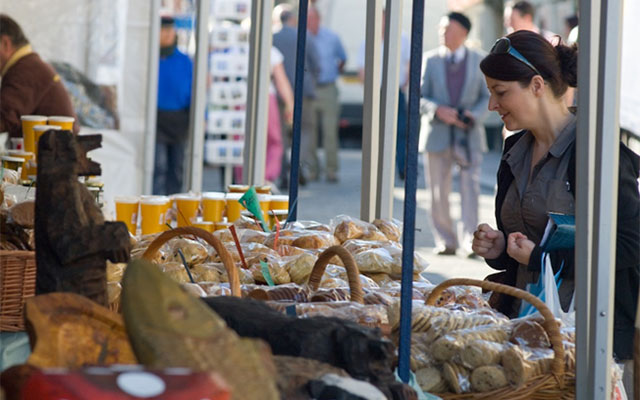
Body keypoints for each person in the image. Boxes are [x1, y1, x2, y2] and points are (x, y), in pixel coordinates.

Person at [472, 30, 640, 392]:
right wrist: (500, 247)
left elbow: (629, 245)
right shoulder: (514, 151)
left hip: (590, 347)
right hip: (525, 338)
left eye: (500, 92)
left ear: (536, 85)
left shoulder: (598, 153)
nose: (492, 105)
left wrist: (542, 257)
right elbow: (524, 247)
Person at [419, 12, 490, 256]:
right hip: (436, 136)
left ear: (463, 33)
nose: (442, 33)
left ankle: (471, 241)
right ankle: (446, 241)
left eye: (447, 29)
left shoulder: (480, 60)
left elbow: (488, 96)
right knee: (438, 192)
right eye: (441, 28)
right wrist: (436, 110)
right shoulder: (430, 60)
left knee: (471, 191)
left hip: (469, 136)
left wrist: (473, 115)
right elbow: (418, 96)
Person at [0, 14, 79, 137]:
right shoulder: (28, 64)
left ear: (5, 44)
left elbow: (4, 118)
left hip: (56, 147)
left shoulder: (25, 70)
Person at [357, 10, 411, 180]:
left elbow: (409, 64)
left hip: (396, 90)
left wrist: (404, 84)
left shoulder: (403, 39)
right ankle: (376, 169)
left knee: (400, 130)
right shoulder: (369, 40)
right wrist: (368, 90)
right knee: (375, 131)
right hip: (375, 92)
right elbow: (361, 69)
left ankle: (401, 167)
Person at [272, 4, 321, 187]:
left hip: (279, 93)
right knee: (305, 129)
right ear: (292, 19)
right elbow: (317, 64)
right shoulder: (305, 36)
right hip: (303, 92)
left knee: (281, 133)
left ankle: (284, 169)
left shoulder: (272, 37)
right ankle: (298, 163)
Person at [153, 16, 193, 195]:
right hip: (157, 119)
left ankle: (175, 202)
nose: (167, 34)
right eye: (164, 30)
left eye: (170, 30)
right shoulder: (151, 59)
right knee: (158, 166)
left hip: (179, 120)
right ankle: (157, 202)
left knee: (177, 167)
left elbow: (195, 90)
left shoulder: (184, 61)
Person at [308, 6, 347, 183]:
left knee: (330, 131)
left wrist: (334, 72)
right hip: (310, 89)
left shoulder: (331, 37)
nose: (310, 22)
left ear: (319, 19)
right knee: (310, 132)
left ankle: (331, 170)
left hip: (328, 88)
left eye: (312, 18)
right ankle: (312, 169)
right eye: (307, 19)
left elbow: (342, 58)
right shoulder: (303, 37)